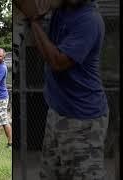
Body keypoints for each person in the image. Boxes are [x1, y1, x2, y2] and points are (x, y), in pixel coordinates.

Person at [21, 0, 108, 179]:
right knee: (49, 175)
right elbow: (43, 49)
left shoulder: (89, 20)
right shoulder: (61, 11)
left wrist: (34, 20)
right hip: (58, 112)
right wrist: (35, 17)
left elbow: (58, 62)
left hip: (84, 119)